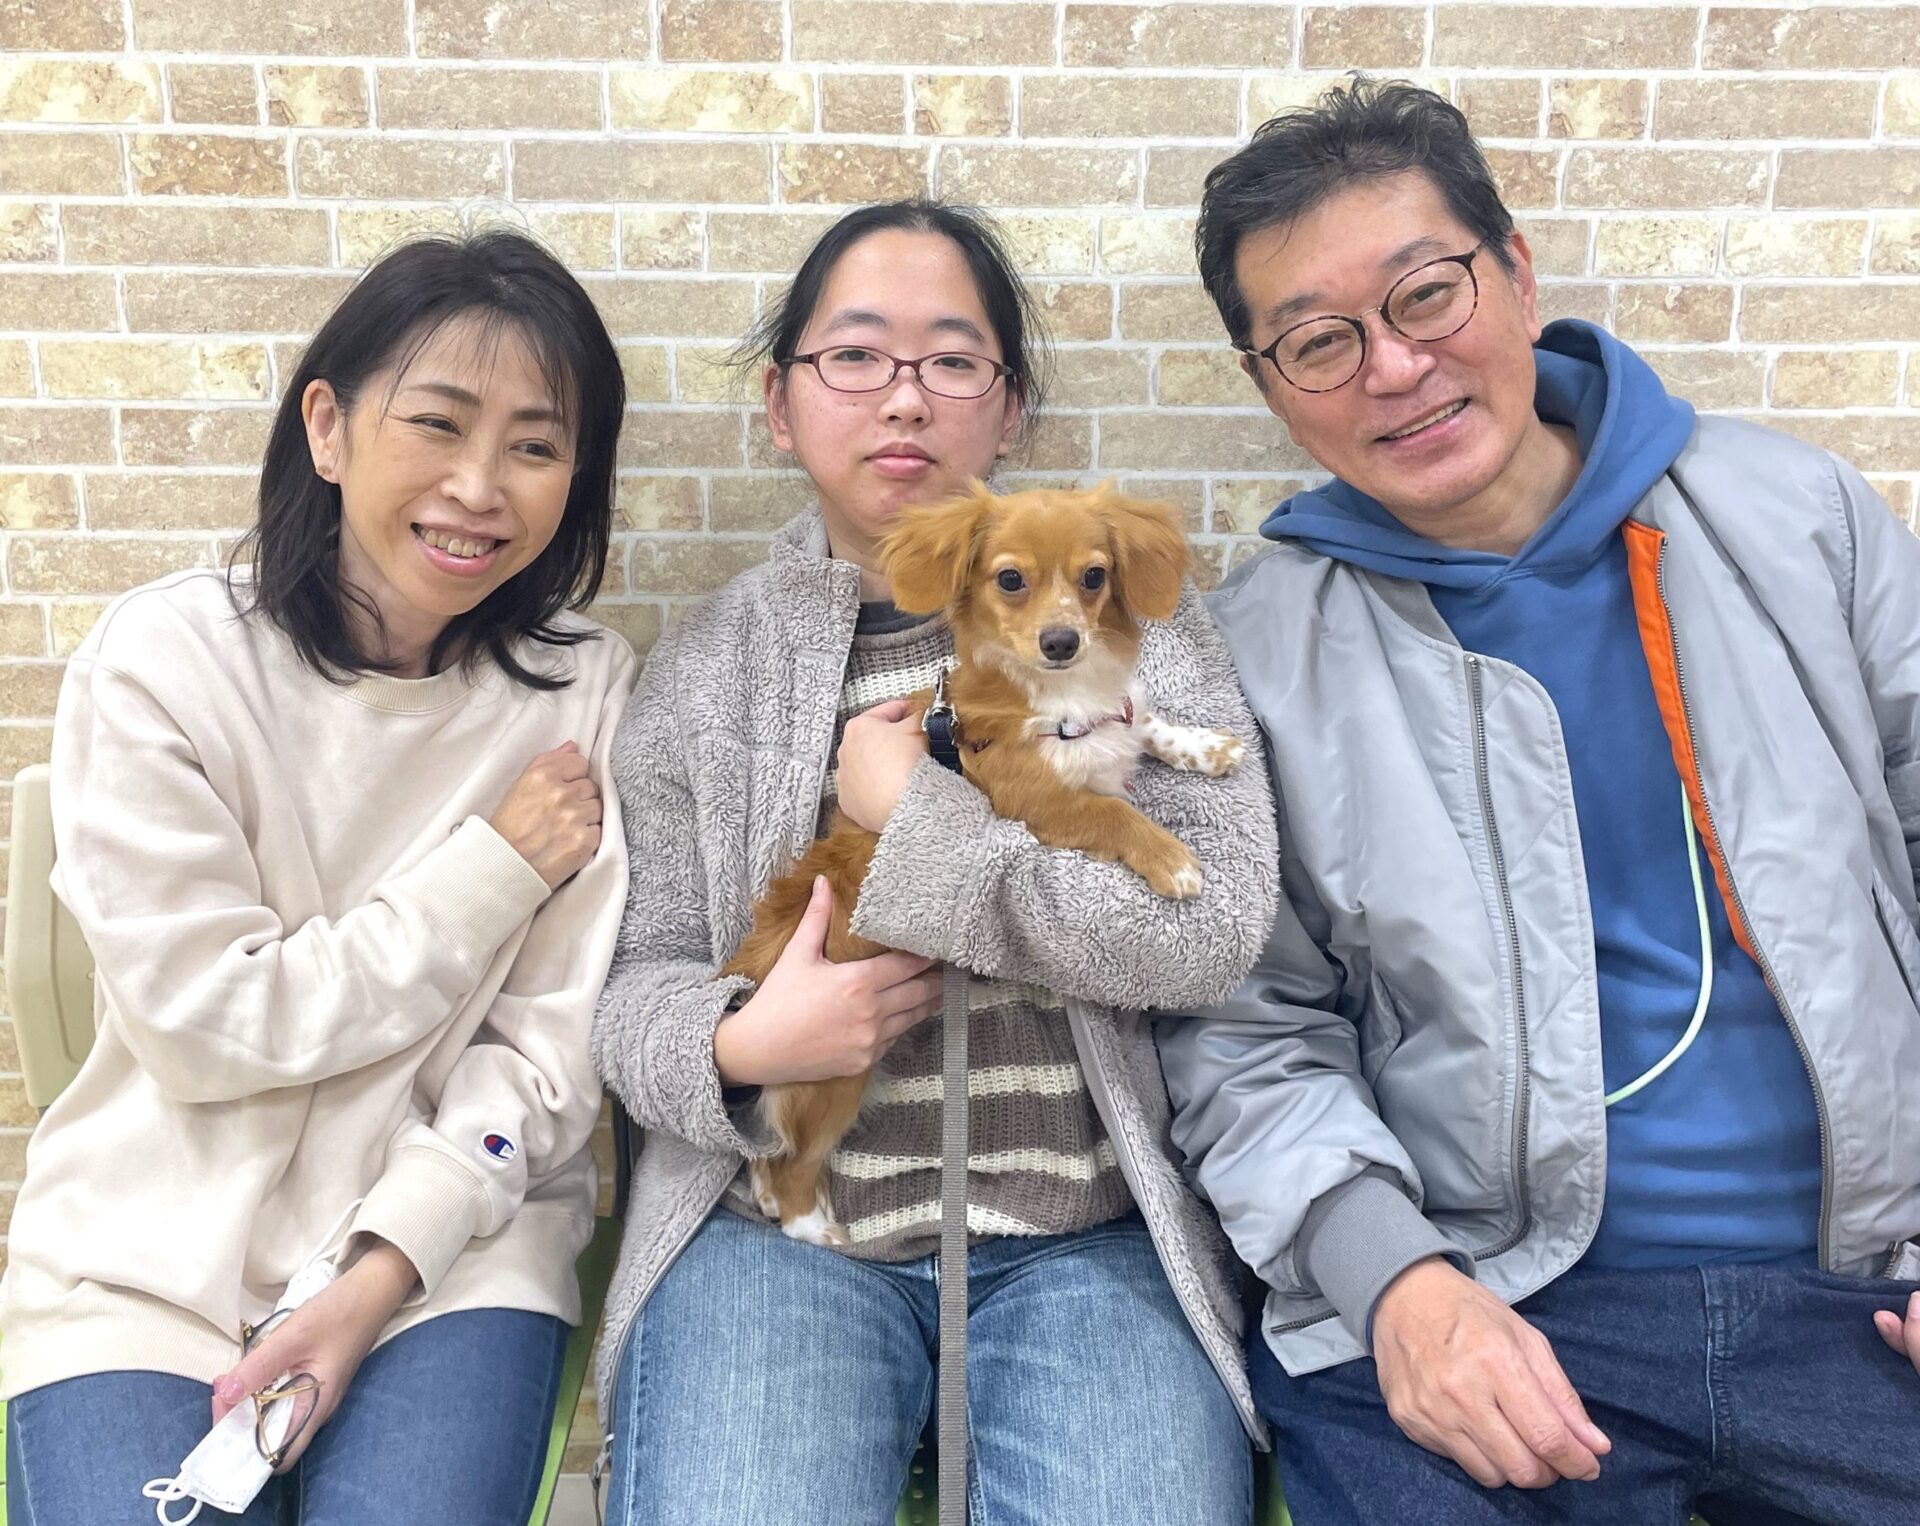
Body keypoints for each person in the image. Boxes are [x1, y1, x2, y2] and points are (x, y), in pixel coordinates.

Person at [1155, 78, 1920, 1525]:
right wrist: (1395, 1281)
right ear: (1271, 388)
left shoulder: (1803, 522)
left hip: (1863, 1290)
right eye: (1320, 341)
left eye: (1425, 295)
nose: (1394, 367)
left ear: (1514, 272)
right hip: (1490, 1303)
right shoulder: (1250, 657)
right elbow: (1243, 1028)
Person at [589, 199, 1276, 1526]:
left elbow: (1210, 934)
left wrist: (919, 827)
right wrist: (740, 1045)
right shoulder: (706, 668)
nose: (904, 399)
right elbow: (627, 993)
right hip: (778, 1234)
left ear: (1009, 409)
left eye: (953, 361)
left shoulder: (1139, 626)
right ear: (780, 404)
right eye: (855, 356)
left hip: (1090, 1236)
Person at [0, 231, 636, 1526]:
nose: (478, 487)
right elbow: (208, 1026)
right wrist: (491, 872)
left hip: (448, 1255)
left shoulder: (585, 692)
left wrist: (376, 1270)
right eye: (437, 424)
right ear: (329, 428)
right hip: (144, 1264)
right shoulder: (162, 661)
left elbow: (545, 1059)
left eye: (533, 445)